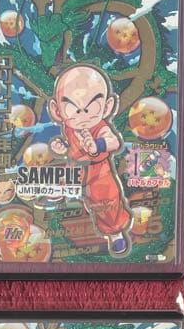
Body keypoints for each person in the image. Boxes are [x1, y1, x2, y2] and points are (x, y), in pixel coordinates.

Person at [48, 64, 132, 255]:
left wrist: (97, 145)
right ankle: (58, 193)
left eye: (90, 107)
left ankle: (115, 233)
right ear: (57, 110)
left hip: (99, 171)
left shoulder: (100, 127)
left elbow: (113, 142)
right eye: (73, 107)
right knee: (61, 179)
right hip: (75, 168)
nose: (82, 114)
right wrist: (62, 147)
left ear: (107, 107)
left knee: (107, 202)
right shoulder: (69, 125)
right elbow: (73, 146)